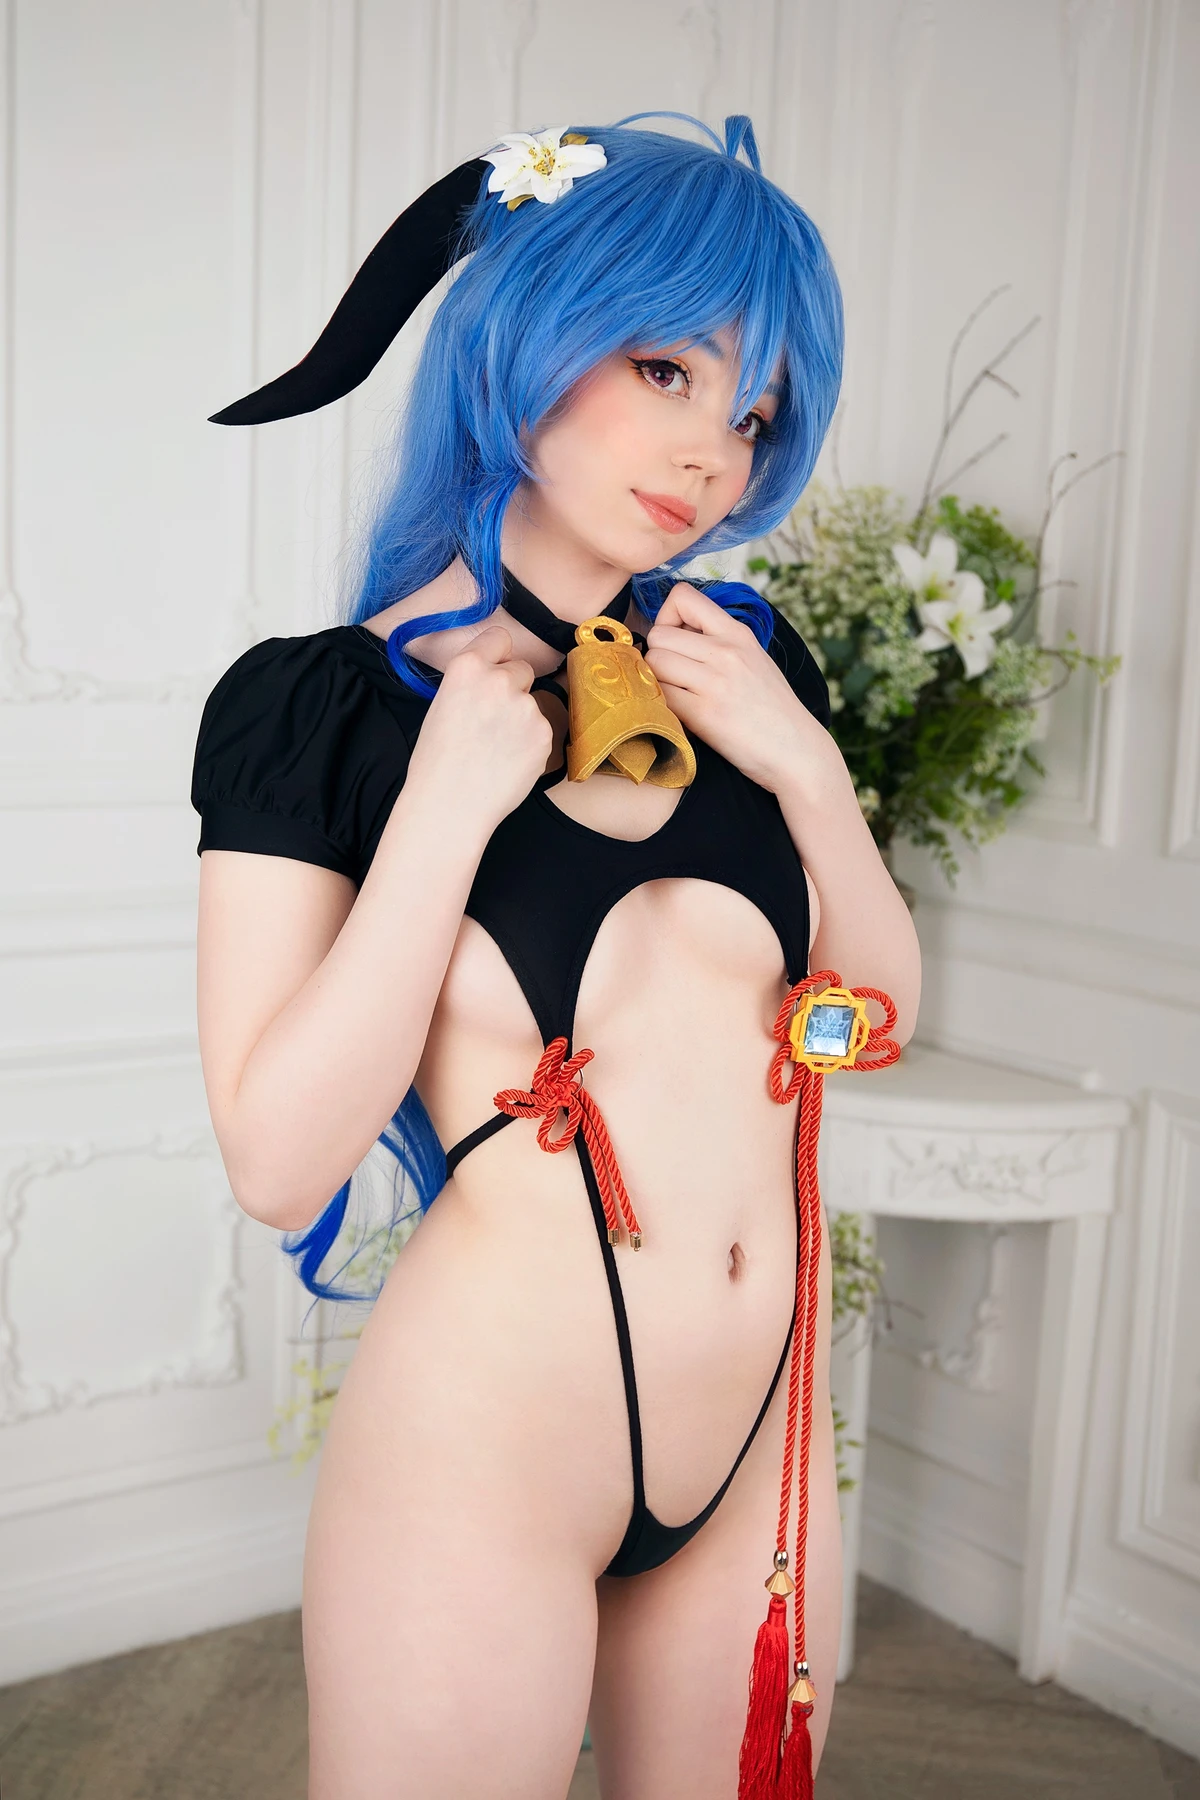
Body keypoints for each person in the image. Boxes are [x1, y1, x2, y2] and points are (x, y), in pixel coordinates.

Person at [191, 112, 920, 1800]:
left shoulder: (748, 674)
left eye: (753, 413)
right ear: (527, 336)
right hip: (488, 1447)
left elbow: (864, 1026)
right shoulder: (323, 713)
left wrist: (811, 775)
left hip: (759, 1437)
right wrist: (441, 821)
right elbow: (276, 1159)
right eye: (667, 370)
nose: (713, 454)